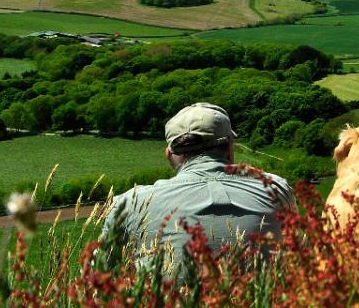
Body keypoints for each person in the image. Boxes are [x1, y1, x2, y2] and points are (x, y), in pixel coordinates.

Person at [98, 102, 295, 268]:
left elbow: (96, 284)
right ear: (228, 146)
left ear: (169, 156)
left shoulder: (129, 204)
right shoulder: (276, 188)